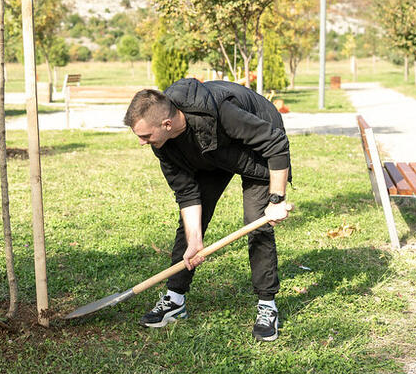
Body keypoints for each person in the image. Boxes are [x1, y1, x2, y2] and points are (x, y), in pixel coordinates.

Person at [123, 79, 292, 341]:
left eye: (145, 136)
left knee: (257, 223)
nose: (142, 143)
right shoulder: (163, 143)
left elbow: (275, 143)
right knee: (190, 228)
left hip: (257, 148)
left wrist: (277, 199)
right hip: (211, 154)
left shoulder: (222, 111)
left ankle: (267, 305)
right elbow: (187, 193)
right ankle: (175, 299)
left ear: (166, 124)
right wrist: (195, 240)